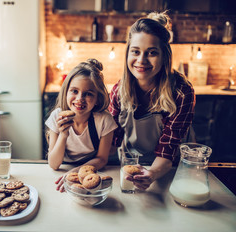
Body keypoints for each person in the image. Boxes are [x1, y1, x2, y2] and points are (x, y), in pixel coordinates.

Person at [109, 11, 196, 191]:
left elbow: (168, 149)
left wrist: (152, 173)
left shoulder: (181, 92)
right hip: (130, 167)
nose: (141, 60)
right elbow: (111, 141)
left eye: (152, 52)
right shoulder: (118, 91)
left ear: (164, 56)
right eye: (135, 51)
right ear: (128, 53)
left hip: (172, 171)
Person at [45, 58, 117, 192]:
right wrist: (63, 134)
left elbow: (101, 159)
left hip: (91, 170)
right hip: (62, 169)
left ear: (97, 99)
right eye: (74, 91)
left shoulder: (104, 120)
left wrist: (76, 172)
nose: (80, 99)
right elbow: (54, 164)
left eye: (88, 94)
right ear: (66, 91)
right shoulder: (56, 116)